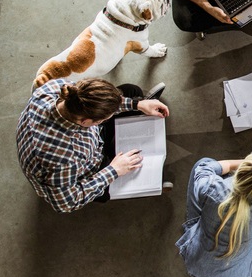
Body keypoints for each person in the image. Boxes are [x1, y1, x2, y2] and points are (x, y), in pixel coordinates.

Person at [16, 78, 170, 213]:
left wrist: (137, 104)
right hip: (82, 170)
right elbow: (66, 203)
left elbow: (94, 103)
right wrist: (113, 170)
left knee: (131, 90)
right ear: (86, 122)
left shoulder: (56, 88)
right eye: (104, 118)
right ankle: (147, 182)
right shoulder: (62, 159)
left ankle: (140, 109)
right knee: (130, 167)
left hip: (85, 146)